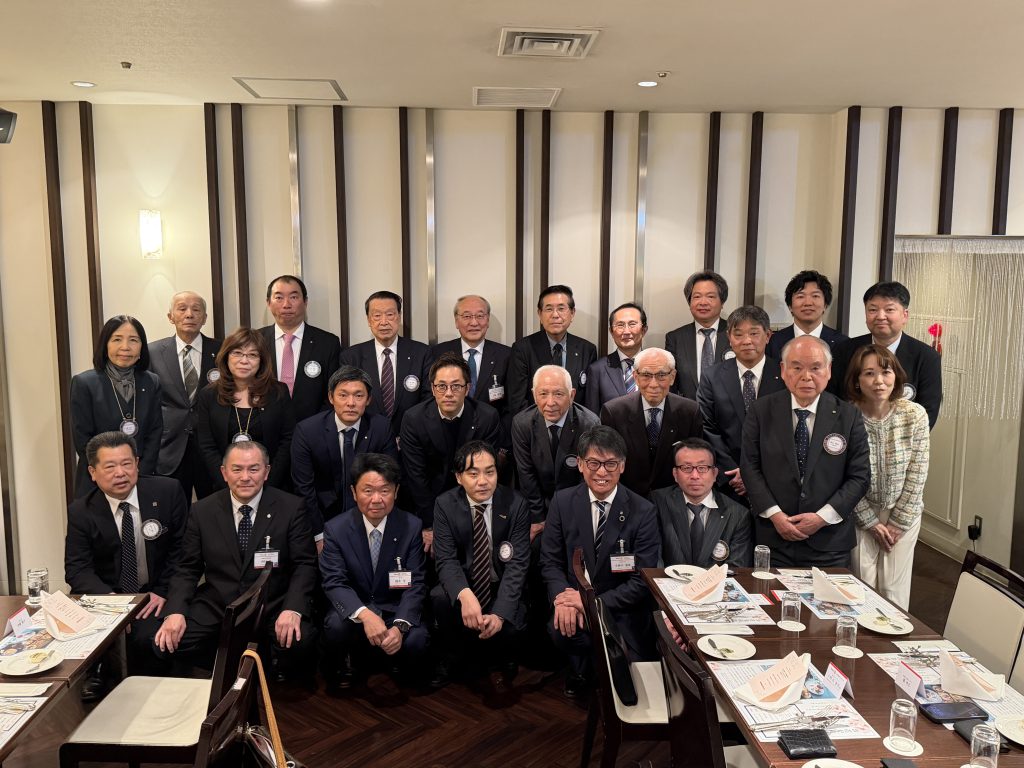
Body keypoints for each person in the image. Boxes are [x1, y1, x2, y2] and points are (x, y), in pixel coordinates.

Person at [155, 441, 318, 681]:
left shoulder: (291, 507)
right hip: (219, 603)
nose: (245, 477)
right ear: (224, 472)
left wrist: (292, 608)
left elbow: (305, 564)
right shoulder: (202, 511)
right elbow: (187, 568)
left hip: (272, 602)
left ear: (266, 472)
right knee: (168, 642)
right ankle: (228, 665)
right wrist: (175, 611)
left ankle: (266, 667)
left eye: (253, 469)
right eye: (237, 469)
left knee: (299, 642)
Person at [540, 426, 660, 697]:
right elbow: (550, 562)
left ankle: (598, 668)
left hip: (620, 610)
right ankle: (582, 667)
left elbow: (642, 581)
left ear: (623, 466)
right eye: (593, 463)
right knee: (560, 629)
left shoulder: (643, 511)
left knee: (633, 689)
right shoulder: (563, 501)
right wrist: (563, 599)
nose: (602, 472)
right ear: (581, 465)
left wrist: (591, 604)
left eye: (610, 464)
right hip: (573, 601)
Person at [65, 431, 187, 695]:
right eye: (109, 466)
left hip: (153, 592)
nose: (120, 473)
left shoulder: (167, 491)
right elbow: (77, 569)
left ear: (137, 464)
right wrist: (113, 603)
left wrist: (163, 590)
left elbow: (182, 552)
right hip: (109, 594)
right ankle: (98, 670)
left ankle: (146, 690)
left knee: (148, 640)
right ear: (92, 472)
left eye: (126, 463)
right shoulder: (81, 511)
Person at [740, 336, 871, 567]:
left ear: (829, 371)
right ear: (783, 370)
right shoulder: (761, 410)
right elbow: (750, 467)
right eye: (797, 367)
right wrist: (775, 515)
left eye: (815, 368)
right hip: (774, 537)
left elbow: (859, 476)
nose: (806, 376)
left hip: (830, 541)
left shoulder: (848, 415)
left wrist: (821, 518)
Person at [319, 453, 429, 691]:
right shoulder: (336, 529)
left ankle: (397, 664)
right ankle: (345, 666)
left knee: (418, 638)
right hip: (357, 609)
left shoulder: (411, 526)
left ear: (396, 491)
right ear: (354, 492)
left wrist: (400, 626)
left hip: (393, 608)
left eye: (385, 490)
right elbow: (334, 581)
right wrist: (365, 615)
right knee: (335, 626)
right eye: (368, 491)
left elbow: (416, 583)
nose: (376, 499)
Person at [431, 441, 530, 687]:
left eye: (490, 472)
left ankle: (505, 658)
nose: (483, 481)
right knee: (440, 598)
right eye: (473, 474)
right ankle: (453, 657)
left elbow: (517, 564)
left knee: (512, 616)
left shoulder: (516, 503)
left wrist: (500, 613)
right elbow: (446, 559)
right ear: (459, 477)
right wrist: (464, 594)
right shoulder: (445, 504)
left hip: (499, 583)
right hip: (467, 583)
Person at [845, 345, 929, 609]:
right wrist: (869, 521)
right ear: (857, 380)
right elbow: (844, 475)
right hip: (861, 514)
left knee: (893, 591)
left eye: (885, 372)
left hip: (903, 514)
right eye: (869, 373)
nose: (878, 381)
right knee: (862, 586)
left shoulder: (914, 414)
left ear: (896, 376)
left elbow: (918, 471)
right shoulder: (847, 415)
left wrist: (898, 522)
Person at [400, 352, 503, 554]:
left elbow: (483, 472)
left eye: (456, 386)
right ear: (432, 389)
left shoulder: (487, 417)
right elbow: (416, 477)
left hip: (473, 499)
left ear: (467, 388)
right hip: (428, 501)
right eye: (441, 386)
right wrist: (430, 525)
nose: (448, 393)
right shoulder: (414, 419)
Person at [291, 365, 397, 548]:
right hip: (322, 517)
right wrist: (318, 535)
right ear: (331, 397)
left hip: (369, 516)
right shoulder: (307, 431)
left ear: (368, 399)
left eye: (358, 395)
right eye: (343, 395)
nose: (351, 403)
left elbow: (389, 480)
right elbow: (304, 488)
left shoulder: (381, 428)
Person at [697, 306, 785, 502]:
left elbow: (787, 430)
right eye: (738, 334)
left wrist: (755, 474)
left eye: (754, 333)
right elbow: (707, 427)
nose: (746, 341)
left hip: (774, 480)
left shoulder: (785, 375)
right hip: (728, 482)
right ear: (729, 337)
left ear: (768, 336)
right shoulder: (712, 376)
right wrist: (733, 471)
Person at [71, 315, 163, 498]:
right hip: (97, 482)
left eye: (133, 340)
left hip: (141, 478)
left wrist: (137, 473)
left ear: (142, 347)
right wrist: (112, 473)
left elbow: (155, 432)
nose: (125, 347)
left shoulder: (151, 381)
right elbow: (83, 439)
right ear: (105, 345)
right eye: (117, 339)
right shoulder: (84, 383)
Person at [830, 281, 942, 429]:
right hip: (850, 435)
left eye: (889, 309)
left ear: (905, 315)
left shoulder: (927, 357)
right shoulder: (844, 350)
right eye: (873, 310)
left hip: (902, 439)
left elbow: (928, 412)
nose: (880, 316)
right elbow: (833, 400)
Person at [196, 328, 295, 492]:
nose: (244, 360)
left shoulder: (278, 392)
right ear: (226, 357)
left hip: (272, 486)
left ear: (262, 360)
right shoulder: (209, 395)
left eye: (252, 355)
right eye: (237, 353)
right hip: (223, 487)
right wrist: (228, 482)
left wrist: (268, 482)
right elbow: (207, 446)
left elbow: (288, 441)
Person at [600, 348, 703, 498]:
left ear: (672, 377)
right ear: (635, 377)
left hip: (674, 498)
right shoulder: (614, 412)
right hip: (628, 498)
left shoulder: (690, 412)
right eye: (646, 375)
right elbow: (608, 463)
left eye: (661, 375)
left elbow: (695, 461)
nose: (653, 384)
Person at [148, 291, 222, 500]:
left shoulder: (222, 350)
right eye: (182, 309)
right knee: (172, 510)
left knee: (214, 509)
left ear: (204, 318)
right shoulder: (152, 352)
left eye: (196, 309)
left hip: (211, 447)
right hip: (169, 448)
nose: (189, 314)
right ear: (170, 316)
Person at [511, 365, 601, 537]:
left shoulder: (589, 424)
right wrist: (538, 518)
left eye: (558, 394)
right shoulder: (522, 424)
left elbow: (587, 476)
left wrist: (570, 516)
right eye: (543, 394)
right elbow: (526, 474)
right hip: (538, 506)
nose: (550, 403)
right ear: (534, 395)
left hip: (577, 504)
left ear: (572, 395)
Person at [338, 290, 431, 435]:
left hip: (411, 436)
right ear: (369, 320)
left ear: (399, 317)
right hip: (367, 436)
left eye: (390, 314)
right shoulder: (351, 357)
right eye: (377, 316)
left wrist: (410, 434)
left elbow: (428, 399)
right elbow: (348, 401)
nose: (384, 322)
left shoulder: (422, 353)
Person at [651, 438, 751, 568]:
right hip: (667, 580)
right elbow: (653, 558)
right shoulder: (657, 502)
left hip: (717, 582)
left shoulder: (738, 514)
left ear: (714, 474)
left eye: (702, 468)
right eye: (686, 468)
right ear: (675, 474)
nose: (695, 476)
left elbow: (736, 568)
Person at [259, 275, 342, 423]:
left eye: (293, 297)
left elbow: (334, 392)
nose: (286, 304)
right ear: (268, 303)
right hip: (263, 426)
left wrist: (315, 427)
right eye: (279, 298)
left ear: (305, 302)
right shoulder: (255, 341)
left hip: (313, 427)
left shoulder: (328, 343)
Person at [506, 285, 598, 415]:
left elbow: (588, 401)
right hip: (534, 423)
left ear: (572, 313)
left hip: (574, 424)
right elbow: (517, 400)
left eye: (561, 308)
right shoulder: (522, 349)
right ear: (540, 314)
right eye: (549, 309)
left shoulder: (587, 350)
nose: (555, 315)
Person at [430, 295, 512, 430]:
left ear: (488, 320)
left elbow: (511, 405)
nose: (474, 323)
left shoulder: (506, 355)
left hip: (491, 433)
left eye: (480, 316)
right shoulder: (437, 353)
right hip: (447, 430)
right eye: (467, 316)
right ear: (456, 321)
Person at [665, 271, 730, 400]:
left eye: (710, 296)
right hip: (688, 409)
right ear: (689, 302)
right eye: (697, 296)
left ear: (722, 302)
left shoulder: (736, 333)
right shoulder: (675, 338)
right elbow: (671, 383)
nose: (703, 302)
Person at [766, 270, 848, 359]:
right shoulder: (774, 342)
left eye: (815, 296)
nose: (808, 303)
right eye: (800, 296)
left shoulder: (842, 343)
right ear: (790, 306)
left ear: (825, 305)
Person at [583, 302, 648, 414]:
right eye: (620, 325)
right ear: (611, 332)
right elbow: (592, 416)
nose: (626, 331)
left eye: (632, 324)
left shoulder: (657, 365)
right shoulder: (597, 370)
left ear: (644, 330)